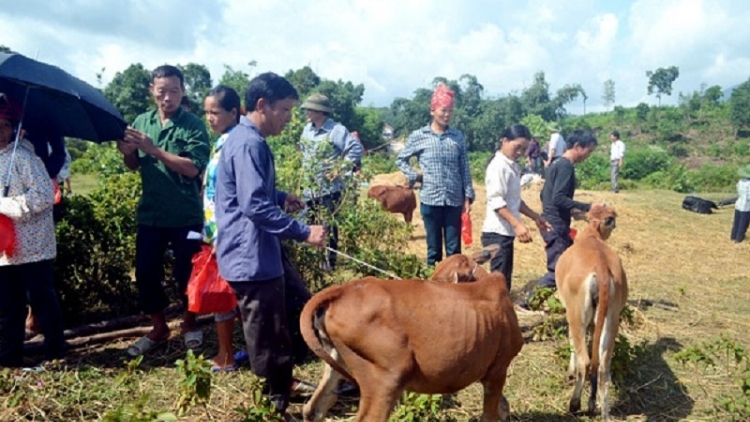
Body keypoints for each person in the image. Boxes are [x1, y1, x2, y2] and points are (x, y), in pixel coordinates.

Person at [214, 72, 326, 417]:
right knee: (267, 334)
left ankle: (282, 384)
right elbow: (253, 205)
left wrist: (280, 196)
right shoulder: (249, 143)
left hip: (261, 252)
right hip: (251, 257)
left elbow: (252, 193)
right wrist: (303, 232)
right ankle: (273, 405)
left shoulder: (246, 139)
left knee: (292, 311)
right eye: (286, 110)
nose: (290, 119)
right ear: (262, 106)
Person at [117, 65, 210, 356]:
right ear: (152, 91)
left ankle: (190, 323)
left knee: (187, 273)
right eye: (161, 92)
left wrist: (154, 149)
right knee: (145, 272)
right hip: (152, 214)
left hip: (185, 215)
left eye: (174, 91)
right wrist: (129, 153)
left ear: (183, 91)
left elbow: (193, 168)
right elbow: (134, 167)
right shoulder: (140, 122)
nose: (167, 98)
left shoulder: (193, 125)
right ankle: (159, 327)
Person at [0, 93, 66, 367]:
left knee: (41, 298)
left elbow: (42, 197)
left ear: (13, 128)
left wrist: (5, 204)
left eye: (2, 126)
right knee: (7, 305)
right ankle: (9, 356)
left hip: (32, 245)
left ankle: (55, 351)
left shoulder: (26, 158)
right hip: (4, 248)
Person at [518, 129, 598, 312]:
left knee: (569, 266)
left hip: (553, 221)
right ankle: (527, 305)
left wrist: (573, 213)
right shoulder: (566, 166)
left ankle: (576, 301)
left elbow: (544, 194)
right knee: (558, 271)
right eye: (589, 151)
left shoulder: (555, 164)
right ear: (578, 147)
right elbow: (559, 198)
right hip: (555, 226)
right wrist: (587, 206)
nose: (588, 156)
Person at [396, 83, 475, 265]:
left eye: (450, 111)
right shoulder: (419, 136)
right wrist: (415, 175)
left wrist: (468, 197)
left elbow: (464, 167)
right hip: (430, 199)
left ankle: (455, 287)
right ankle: (434, 286)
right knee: (433, 250)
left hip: (454, 199)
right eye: (443, 110)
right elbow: (401, 159)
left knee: (454, 250)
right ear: (433, 110)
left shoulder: (457, 137)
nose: (447, 115)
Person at [201, 85, 241, 372]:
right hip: (217, 231)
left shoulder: (235, 143)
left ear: (233, 112)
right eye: (206, 112)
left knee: (224, 294)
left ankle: (226, 356)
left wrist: (222, 233)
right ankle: (231, 351)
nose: (209, 118)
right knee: (229, 295)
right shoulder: (222, 141)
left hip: (225, 234)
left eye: (215, 112)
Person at [482, 124, 551, 290]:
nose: (520, 152)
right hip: (497, 232)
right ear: (504, 141)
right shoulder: (498, 166)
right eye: (517, 147)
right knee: (498, 282)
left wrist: (535, 217)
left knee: (504, 279)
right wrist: (517, 225)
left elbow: (515, 200)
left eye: (524, 149)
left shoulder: (511, 166)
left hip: (505, 232)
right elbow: (497, 202)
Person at [298, 93, 363, 270]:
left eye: (310, 109)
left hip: (329, 190)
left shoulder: (336, 130)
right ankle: (312, 261)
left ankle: (329, 264)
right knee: (308, 225)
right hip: (309, 189)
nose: (307, 112)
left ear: (321, 111)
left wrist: (340, 169)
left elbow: (356, 149)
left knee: (329, 227)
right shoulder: (307, 130)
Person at [731, 165, 750, 243]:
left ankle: (733, 236)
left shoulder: (741, 181)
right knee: (743, 222)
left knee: (737, 221)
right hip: (746, 206)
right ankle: (739, 238)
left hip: (739, 204)